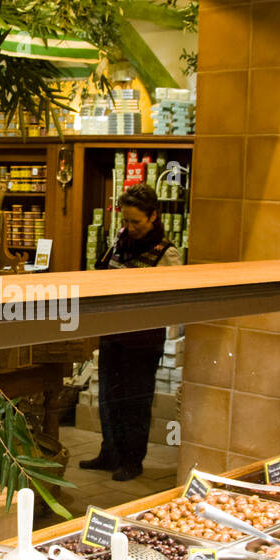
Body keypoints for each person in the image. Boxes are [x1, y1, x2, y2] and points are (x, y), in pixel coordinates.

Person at [80, 183, 180, 481]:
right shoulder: (119, 242)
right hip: (113, 332)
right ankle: (109, 453)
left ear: (153, 216)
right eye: (125, 220)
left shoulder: (166, 253)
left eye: (135, 221)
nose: (129, 227)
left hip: (142, 341)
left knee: (135, 402)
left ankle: (132, 461)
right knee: (109, 397)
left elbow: (170, 300)